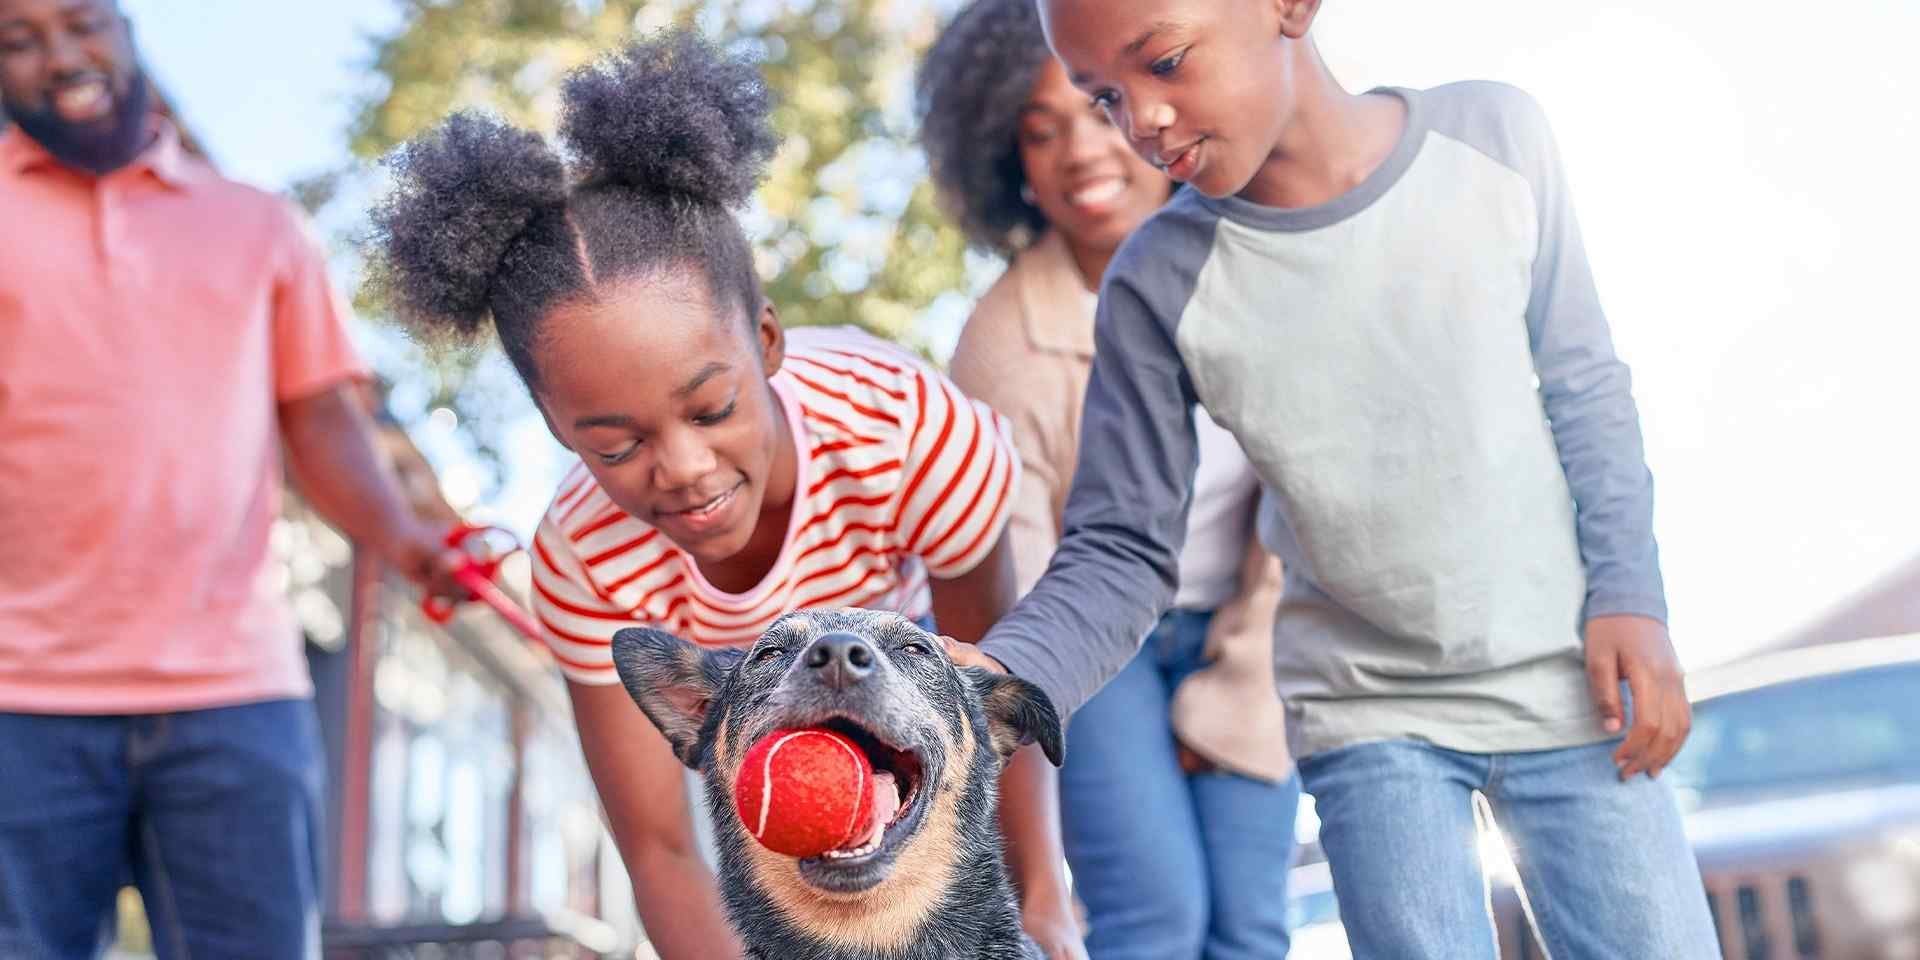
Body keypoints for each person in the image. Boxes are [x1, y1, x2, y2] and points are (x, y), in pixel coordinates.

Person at [948, 1, 1723, 957]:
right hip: (1370, 716)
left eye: (1166, 62)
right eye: (1108, 93)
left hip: (1572, 680)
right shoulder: (1159, 278)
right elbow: (1120, 550)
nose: (1139, 119)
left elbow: (1585, 386)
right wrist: (1000, 676)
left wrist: (1633, 598)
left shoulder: (1494, 139)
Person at [364, 30, 1084, 960]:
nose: (684, 468)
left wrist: (1045, 911)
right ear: (556, 428)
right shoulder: (582, 561)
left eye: (711, 409)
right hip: (768, 767)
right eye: (615, 443)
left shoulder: (907, 426)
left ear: (769, 344)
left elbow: (987, 702)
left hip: (924, 742)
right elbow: (662, 848)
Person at [0, 1, 466, 957]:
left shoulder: (254, 225)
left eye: (81, 23)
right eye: (18, 40)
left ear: (124, 27)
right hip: (18, 696)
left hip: (232, 691)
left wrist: (413, 545)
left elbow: (321, 424)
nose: (60, 57)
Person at [919, 1, 1298, 955]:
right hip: (1096, 648)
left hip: (1255, 626)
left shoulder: (1262, 264)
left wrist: (1232, 682)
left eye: (1096, 110)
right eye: (1037, 133)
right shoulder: (1001, 342)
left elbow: (1307, 502)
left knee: (1249, 926)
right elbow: (1028, 570)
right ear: (1008, 166)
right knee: (1155, 913)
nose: (1079, 152)